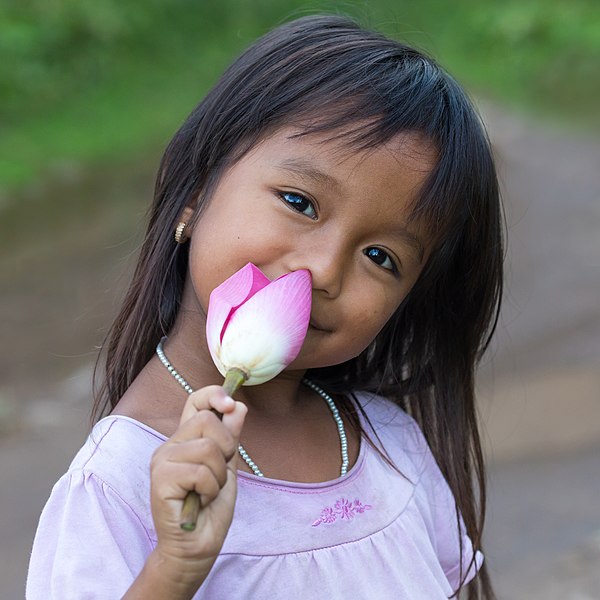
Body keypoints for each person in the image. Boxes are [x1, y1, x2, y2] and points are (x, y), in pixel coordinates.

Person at [27, 15, 503, 600]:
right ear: (196, 195)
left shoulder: (389, 445)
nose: (324, 270)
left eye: (381, 256)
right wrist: (174, 569)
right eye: (300, 202)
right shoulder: (119, 483)